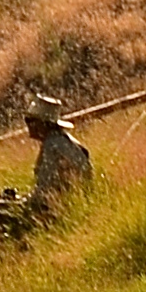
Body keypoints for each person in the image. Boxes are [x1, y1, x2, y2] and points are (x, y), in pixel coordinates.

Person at [24, 94, 92, 222]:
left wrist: (21, 200)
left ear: (43, 124)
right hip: (76, 205)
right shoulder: (64, 141)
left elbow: (45, 192)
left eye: (30, 120)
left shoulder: (51, 147)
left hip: (58, 211)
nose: (28, 125)